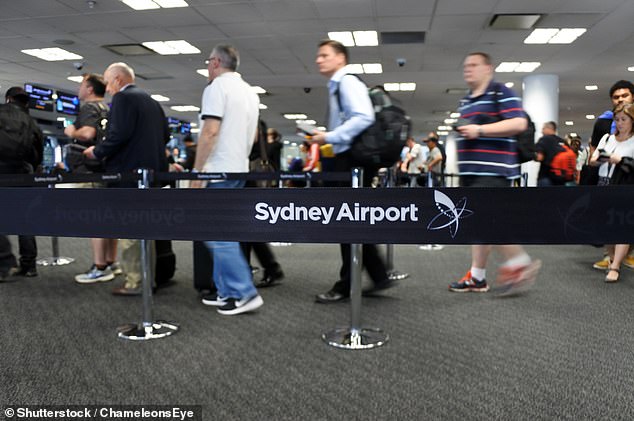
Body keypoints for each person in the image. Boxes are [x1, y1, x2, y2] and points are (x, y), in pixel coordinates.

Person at [309, 39, 394, 303]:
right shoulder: (338, 84)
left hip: (351, 160)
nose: (318, 60)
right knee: (351, 221)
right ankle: (378, 274)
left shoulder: (347, 82)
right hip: (346, 159)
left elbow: (364, 116)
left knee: (345, 223)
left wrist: (330, 137)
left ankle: (346, 284)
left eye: (324, 55)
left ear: (341, 58)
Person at [450, 52, 541, 295]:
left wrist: (479, 130)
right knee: (478, 225)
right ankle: (477, 277)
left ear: (488, 68)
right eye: (466, 65)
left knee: (487, 221)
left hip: (492, 171)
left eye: (474, 65)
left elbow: (518, 124)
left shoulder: (500, 92)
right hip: (470, 172)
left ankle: (520, 263)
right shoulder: (467, 100)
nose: (468, 69)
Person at [84, 62, 170, 296]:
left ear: (119, 80)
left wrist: (97, 152)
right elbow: (166, 134)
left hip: (129, 175)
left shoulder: (123, 99)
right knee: (145, 230)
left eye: (109, 82)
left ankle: (136, 283)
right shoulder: (151, 101)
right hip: (151, 176)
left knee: (131, 232)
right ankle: (146, 279)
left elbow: (118, 135)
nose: (108, 88)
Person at [191, 44, 263, 315]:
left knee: (215, 234)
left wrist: (197, 173)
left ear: (217, 62)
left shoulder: (216, 87)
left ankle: (245, 292)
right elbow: (254, 137)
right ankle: (226, 292)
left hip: (218, 170)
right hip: (238, 169)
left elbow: (210, 131)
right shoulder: (249, 91)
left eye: (209, 60)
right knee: (225, 233)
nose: (208, 66)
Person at [67, 74, 121, 284]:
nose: (79, 89)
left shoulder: (89, 108)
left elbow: (87, 134)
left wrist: (71, 130)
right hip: (105, 170)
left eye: (82, 85)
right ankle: (110, 262)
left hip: (89, 170)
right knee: (108, 218)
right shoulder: (107, 108)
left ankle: (99, 266)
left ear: (89, 89)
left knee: (94, 219)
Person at [587, 80, 634, 271]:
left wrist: (620, 160)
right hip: (606, 181)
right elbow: (592, 154)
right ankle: (612, 257)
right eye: (616, 97)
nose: (620, 99)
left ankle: (617, 264)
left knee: (624, 221)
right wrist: (598, 159)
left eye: (624, 95)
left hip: (626, 183)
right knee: (607, 221)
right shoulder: (604, 125)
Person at [0, 87, 44, 280]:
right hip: (23, 175)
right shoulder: (31, 122)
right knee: (24, 220)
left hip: (1, 174)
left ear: (8, 99)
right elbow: (38, 153)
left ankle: (4, 264)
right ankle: (29, 265)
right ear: (25, 103)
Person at [535, 121, 567, 187]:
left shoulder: (544, 139)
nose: (542, 131)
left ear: (548, 128)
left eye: (543, 129)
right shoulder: (563, 142)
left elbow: (539, 157)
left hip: (545, 177)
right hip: (561, 179)